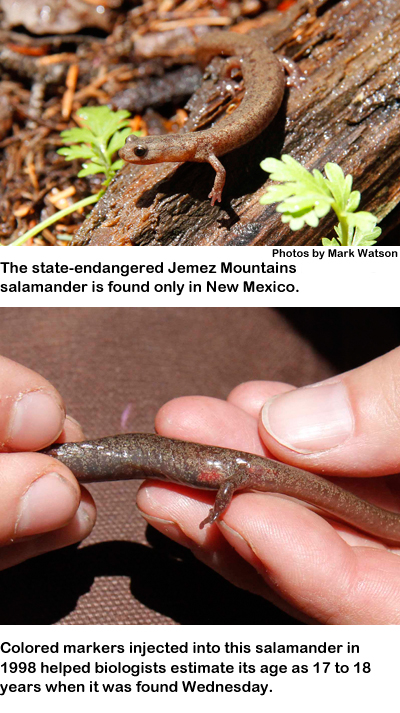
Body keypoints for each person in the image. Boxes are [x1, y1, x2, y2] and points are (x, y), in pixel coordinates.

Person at [2, 350, 400, 623]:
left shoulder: (243, 474)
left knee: (228, 478)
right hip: (226, 470)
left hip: (232, 472)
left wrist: (219, 505)